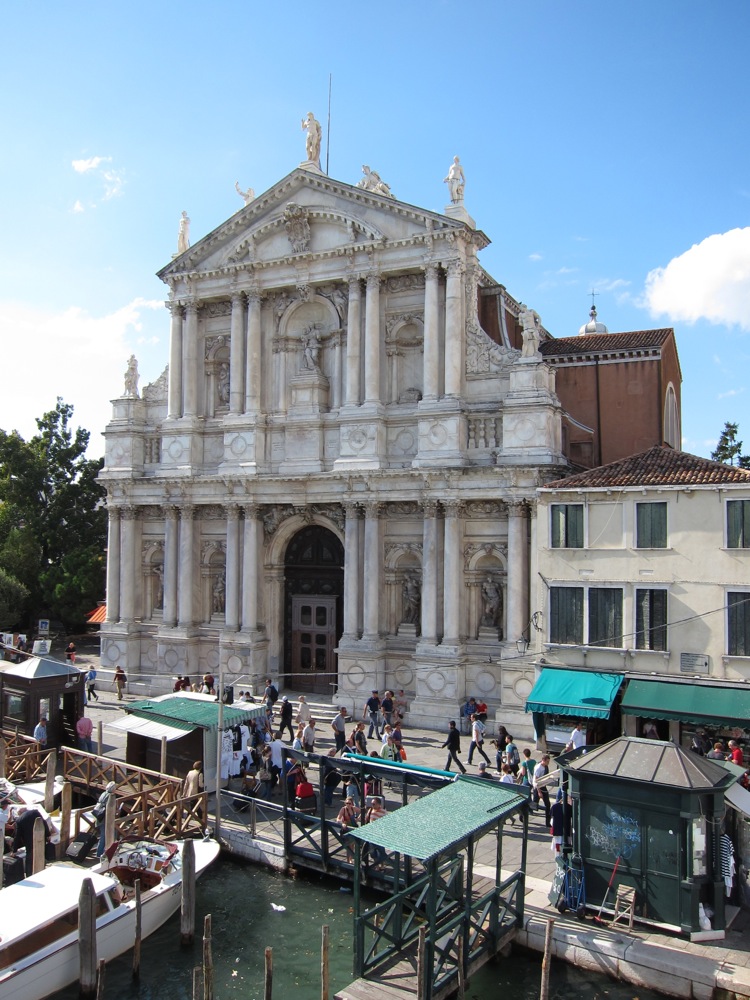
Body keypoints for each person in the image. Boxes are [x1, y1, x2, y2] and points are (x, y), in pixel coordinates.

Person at [12, 807, 55, 877]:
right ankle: (41, 870)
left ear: (20, 813)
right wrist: (48, 835)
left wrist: (14, 850)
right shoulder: (35, 812)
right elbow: (44, 822)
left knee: (29, 859)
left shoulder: (19, 820)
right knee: (41, 855)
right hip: (40, 838)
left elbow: (17, 836)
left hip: (29, 841)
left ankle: (29, 874)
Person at [94, 781, 117, 858]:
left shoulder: (103, 794)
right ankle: (100, 853)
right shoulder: (111, 796)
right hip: (105, 818)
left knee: (103, 836)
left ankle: (102, 852)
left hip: (99, 816)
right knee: (104, 837)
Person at [364, 796, 388, 866]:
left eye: (374, 804)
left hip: (380, 835)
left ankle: (382, 865)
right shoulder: (370, 810)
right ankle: (376, 865)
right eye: (372, 804)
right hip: (371, 834)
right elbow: (366, 820)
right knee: (372, 852)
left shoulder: (384, 812)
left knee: (381, 851)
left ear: (379, 804)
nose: (372, 805)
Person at [533, 754, 552, 825]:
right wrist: (539, 792)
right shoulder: (538, 768)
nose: (548, 763)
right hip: (538, 787)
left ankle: (548, 822)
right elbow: (536, 780)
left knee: (548, 804)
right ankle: (523, 815)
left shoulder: (545, 766)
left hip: (543, 786)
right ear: (543, 760)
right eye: (547, 762)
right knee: (534, 804)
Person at [550, 788, 565, 853]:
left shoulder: (555, 807)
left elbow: (551, 822)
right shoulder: (569, 807)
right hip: (564, 833)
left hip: (557, 832)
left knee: (557, 850)